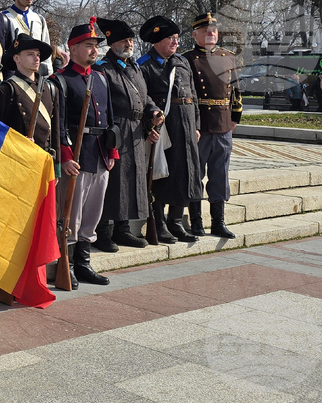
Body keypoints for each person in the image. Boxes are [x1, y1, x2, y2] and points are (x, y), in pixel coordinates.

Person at [0, 33, 63, 298]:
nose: (36, 58)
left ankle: (35, 278)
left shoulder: (50, 88)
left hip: (43, 165)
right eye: (30, 54)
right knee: (15, 226)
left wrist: (57, 165)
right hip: (16, 168)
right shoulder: (5, 90)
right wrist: (18, 143)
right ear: (17, 59)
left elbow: (56, 130)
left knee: (39, 225)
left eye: (38, 55)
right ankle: (9, 281)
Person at [51, 19, 118, 287]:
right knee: (71, 213)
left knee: (92, 212)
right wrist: (65, 156)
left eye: (95, 46)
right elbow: (58, 123)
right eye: (88, 45)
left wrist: (112, 151)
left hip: (100, 153)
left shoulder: (100, 78)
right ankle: (66, 265)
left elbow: (109, 118)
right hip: (76, 155)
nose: (94, 50)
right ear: (72, 48)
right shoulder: (60, 80)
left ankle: (84, 262)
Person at [92, 18, 163, 252]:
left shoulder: (134, 67)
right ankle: (102, 231)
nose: (129, 44)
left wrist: (153, 112)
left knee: (131, 180)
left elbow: (144, 96)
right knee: (112, 183)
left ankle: (122, 229)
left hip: (135, 130)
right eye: (124, 40)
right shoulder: (103, 69)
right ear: (112, 43)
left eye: (131, 40)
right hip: (115, 131)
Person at [137, 16, 201, 245]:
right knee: (163, 175)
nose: (175, 42)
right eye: (170, 38)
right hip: (165, 127)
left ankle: (175, 220)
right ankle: (159, 223)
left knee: (185, 173)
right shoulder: (144, 65)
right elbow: (141, 100)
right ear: (157, 41)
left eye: (176, 38)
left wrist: (196, 125)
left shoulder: (182, 62)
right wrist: (148, 128)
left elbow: (193, 95)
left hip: (186, 124)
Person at [183, 13, 242, 239]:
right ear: (195, 35)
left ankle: (218, 222)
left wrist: (235, 117)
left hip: (223, 123)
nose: (211, 34)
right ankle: (196, 221)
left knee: (220, 175)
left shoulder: (228, 57)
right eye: (206, 31)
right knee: (195, 174)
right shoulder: (187, 59)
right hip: (200, 125)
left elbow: (236, 91)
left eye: (214, 31)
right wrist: (192, 124)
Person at [1, 0, 54, 76]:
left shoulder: (39, 19)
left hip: (37, 75)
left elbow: (45, 45)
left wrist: (48, 75)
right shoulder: (4, 18)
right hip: (13, 74)